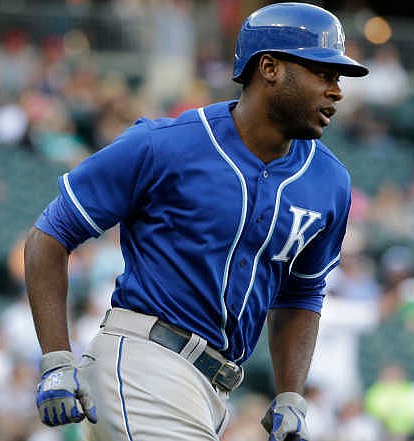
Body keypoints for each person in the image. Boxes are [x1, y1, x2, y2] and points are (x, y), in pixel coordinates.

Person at [23, 3, 368, 441]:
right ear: (270, 68)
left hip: (212, 391)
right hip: (144, 362)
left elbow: (302, 290)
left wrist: (290, 395)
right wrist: (57, 358)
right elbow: (49, 236)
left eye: (338, 78)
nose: (336, 90)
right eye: (323, 73)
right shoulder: (164, 145)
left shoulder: (329, 182)